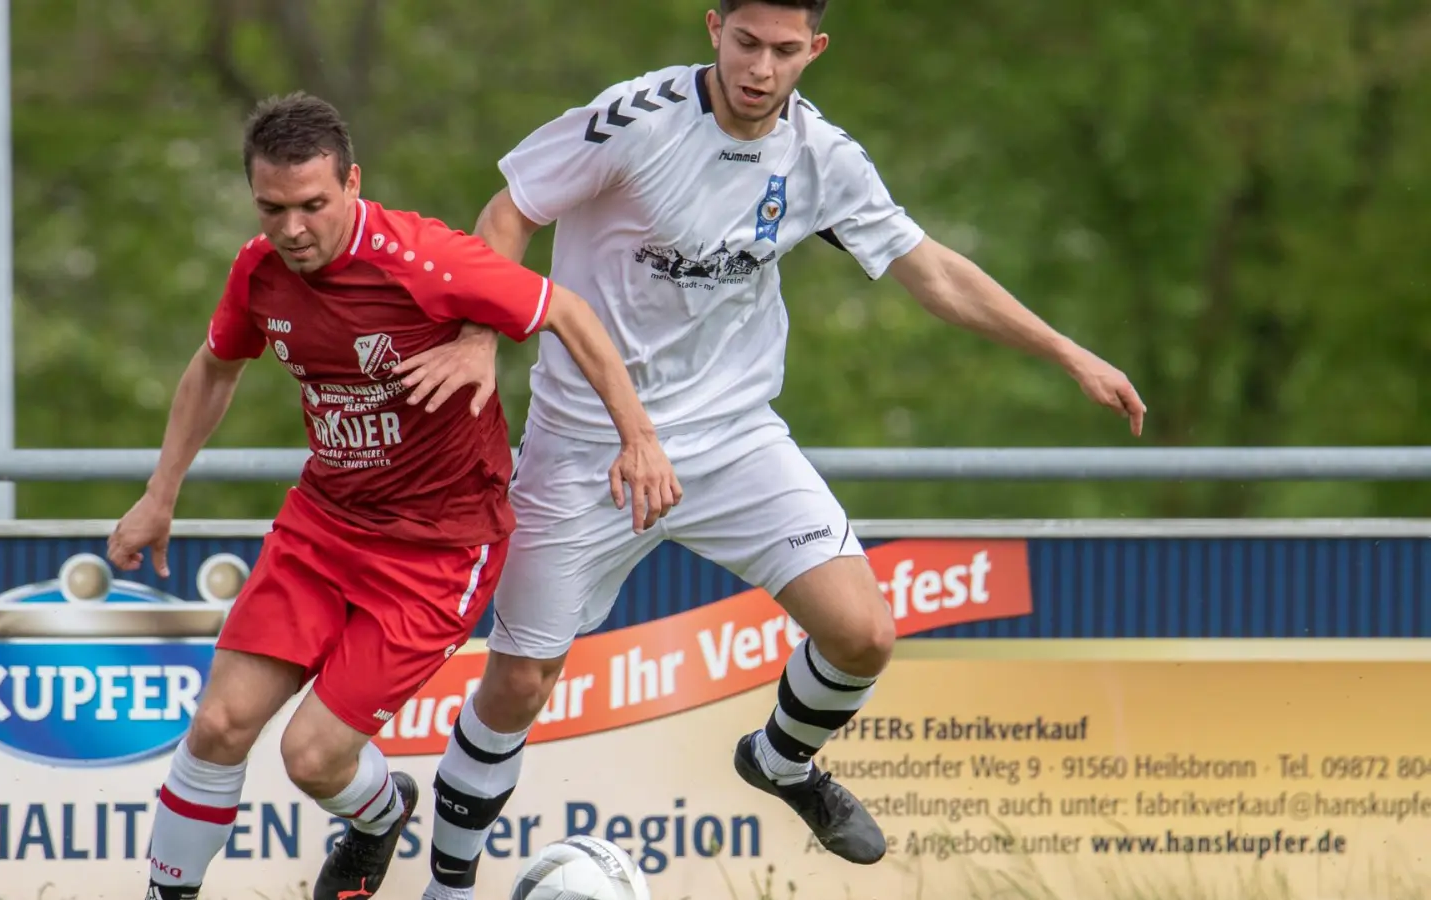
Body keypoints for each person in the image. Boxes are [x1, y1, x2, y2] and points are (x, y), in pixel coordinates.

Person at [386, 1, 1151, 897]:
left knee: (864, 634)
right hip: (588, 443)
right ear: (714, 29)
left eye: (786, 50)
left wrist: (1065, 350)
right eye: (746, 43)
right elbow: (509, 211)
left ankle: (782, 762)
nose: (761, 66)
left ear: (814, 51)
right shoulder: (634, 119)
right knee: (516, 684)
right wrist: (482, 334)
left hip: (736, 440)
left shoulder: (822, 158)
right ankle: (448, 887)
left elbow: (929, 268)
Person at [105, 91, 681, 900]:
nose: (294, 229)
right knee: (218, 725)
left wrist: (639, 437)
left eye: (313, 205)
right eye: (273, 208)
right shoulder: (259, 271)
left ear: (352, 184)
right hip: (324, 524)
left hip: (437, 549)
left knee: (311, 757)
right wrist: (159, 495)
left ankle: (378, 816)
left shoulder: (424, 259)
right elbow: (214, 367)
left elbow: (570, 313)